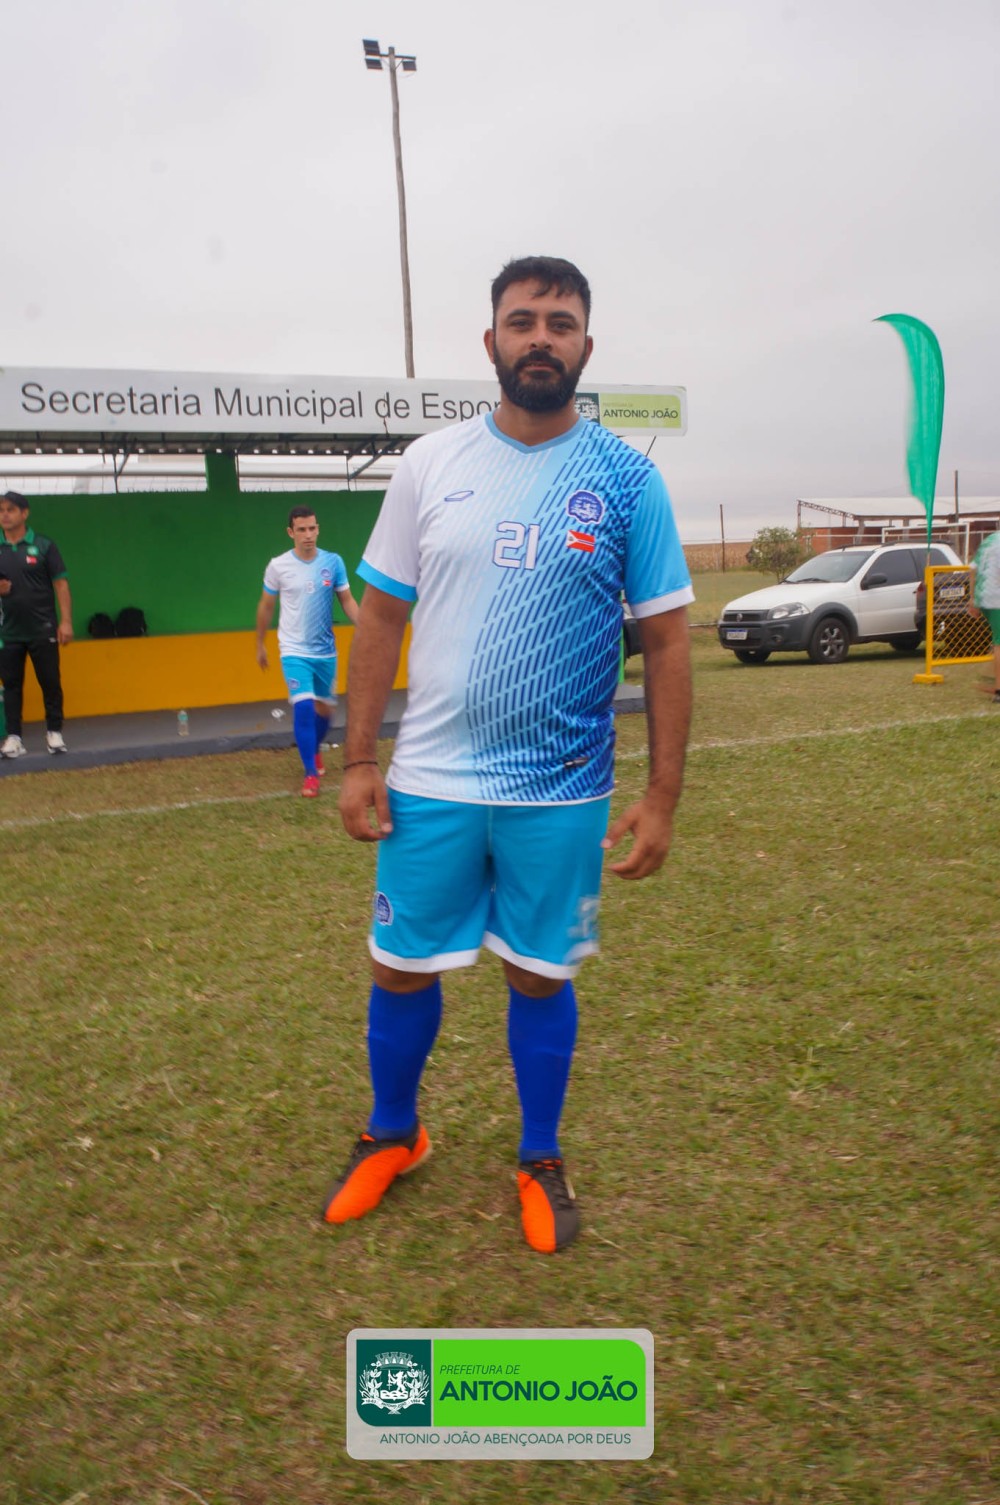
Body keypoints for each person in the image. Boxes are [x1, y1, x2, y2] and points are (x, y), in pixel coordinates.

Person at [325, 255, 694, 1253]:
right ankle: (393, 1133)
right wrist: (358, 760)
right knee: (400, 964)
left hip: (560, 789)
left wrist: (661, 794)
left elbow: (667, 640)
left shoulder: (627, 478)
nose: (540, 338)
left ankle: (539, 1155)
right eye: (522, 320)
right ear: (490, 340)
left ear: (585, 346)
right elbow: (380, 617)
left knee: (538, 973)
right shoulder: (429, 462)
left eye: (559, 323)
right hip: (429, 781)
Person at [255, 506, 359, 796]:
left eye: (312, 528)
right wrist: (260, 644)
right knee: (302, 707)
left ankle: (314, 749)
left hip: (325, 652)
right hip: (293, 650)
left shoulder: (333, 562)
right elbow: (266, 606)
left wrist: (365, 626)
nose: (308, 535)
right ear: (291, 532)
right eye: (301, 530)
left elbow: (347, 600)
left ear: (318, 529)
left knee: (325, 712)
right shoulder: (278, 566)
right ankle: (310, 774)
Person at [0, 490, 73, 757]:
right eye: (1, 511)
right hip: (8, 631)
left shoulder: (44, 545)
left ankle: (54, 733)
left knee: (50, 682)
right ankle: (14, 738)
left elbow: (61, 584)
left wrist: (66, 622)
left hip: (43, 629)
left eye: (10, 510)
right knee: (11, 686)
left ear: (24, 513)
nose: (5, 515)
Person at [968, 526, 1000, 702]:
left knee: (997, 641)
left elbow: (972, 569)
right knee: (999, 644)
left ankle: (991, 678)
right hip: (997, 600)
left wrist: (972, 599)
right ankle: (998, 690)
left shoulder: (989, 540)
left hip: (984, 597)